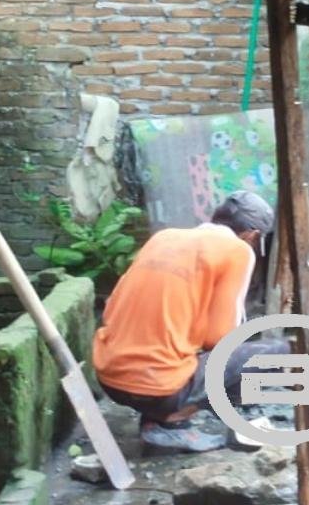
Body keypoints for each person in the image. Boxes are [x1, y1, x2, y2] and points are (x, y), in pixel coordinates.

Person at [93, 191, 288, 452]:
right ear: (251, 235)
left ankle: (159, 414)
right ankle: (171, 420)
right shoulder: (238, 250)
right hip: (159, 389)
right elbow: (220, 339)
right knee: (277, 352)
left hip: (110, 379)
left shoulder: (163, 237)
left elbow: (111, 310)